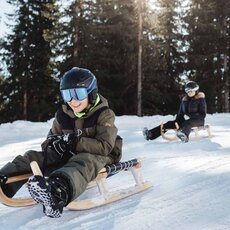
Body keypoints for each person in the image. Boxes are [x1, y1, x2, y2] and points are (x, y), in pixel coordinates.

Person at [0, 67, 122, 218]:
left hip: (101, 155)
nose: (73, 101)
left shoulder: (104, 114)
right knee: (35, 157)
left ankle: (58, 191)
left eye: (78, 94)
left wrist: (74, 143)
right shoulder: (62, 116)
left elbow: (104, 146)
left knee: (83, 161)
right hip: (70, 152)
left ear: (91, 93)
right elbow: (48, 143)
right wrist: (55, 144)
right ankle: (4, 179)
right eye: (67, 95)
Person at [143, 81, 207, 143]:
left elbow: (202, 114)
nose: (189, 93)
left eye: (191, 91)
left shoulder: (200, 100)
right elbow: (180, 113)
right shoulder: (184, 100)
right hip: (185, 121)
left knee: (188, 123)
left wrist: (190, 116)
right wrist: (176, 121)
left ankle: (184, 136)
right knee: (169, 124)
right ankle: (151, 134)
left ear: (195, 90)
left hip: (198, 121)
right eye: (187, 91)